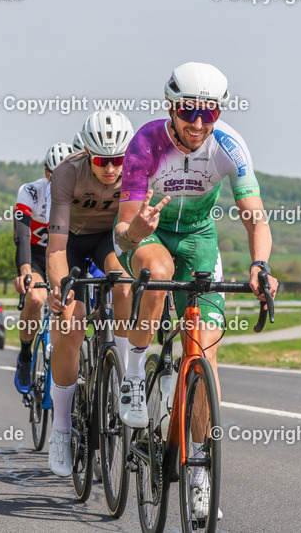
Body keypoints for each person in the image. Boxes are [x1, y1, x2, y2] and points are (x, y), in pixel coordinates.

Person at [113, 61, 278, 520]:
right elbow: (125, 229)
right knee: (159, 270)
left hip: (201, 240)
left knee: (204, 351)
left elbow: (254, 217)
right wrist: (137, 229)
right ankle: (131, 374)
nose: (199, 123)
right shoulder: (146, 142)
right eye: (189, 111)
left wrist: (260, 264)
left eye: (210, 112)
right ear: (171, 106)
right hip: (147, 234)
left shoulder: (229, 143)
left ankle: (200, 468)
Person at [44, 110, 135, 477]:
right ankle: (62, 427)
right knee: (69, 320)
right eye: (102, 160)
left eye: (117, 160)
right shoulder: (67, 173)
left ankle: (129, 377)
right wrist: (58, 288)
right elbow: (55, 246)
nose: (111, 168)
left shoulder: (135, 169)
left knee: (127, 284)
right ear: (87, 153)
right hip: (71, 243)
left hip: (108, 242)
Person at [12, 142, 75, 394]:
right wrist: (25, 270)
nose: (57, 179)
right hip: (36, 256)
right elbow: (22, 235)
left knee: (74, 306)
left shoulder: (78, 191)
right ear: (46, 172)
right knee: (36, 299)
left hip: (65, 255)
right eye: (53, 173)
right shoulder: (30, 192)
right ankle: (26, 355)